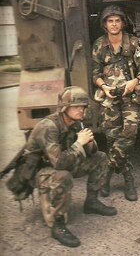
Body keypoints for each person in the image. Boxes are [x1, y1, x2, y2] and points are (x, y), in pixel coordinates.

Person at [9, 86, 117, 248]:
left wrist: (89, 143)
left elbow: (86, 153)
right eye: (76, 106)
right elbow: (59, 163)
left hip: (61, 163)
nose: (81, 110)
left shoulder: (75, 123)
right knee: (62, 176)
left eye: (83, 107)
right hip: (40, 171)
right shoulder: (48, 127)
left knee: (100, 158)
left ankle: (91, 202)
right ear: (64, 107)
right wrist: (79, 143)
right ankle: (57, 224)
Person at [92, 5, 140, 201]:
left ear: (123, 23)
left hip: (130, 96)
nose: (114, 24)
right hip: (109, 97)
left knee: (129, 133)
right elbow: (95, 73)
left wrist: (136, 81)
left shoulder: (133, 43)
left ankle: (108, 171)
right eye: (110, 21)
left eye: (117, 20)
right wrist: (103, 87)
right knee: (112, 137)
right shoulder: (100, 45)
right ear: (105, 24)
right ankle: (128, 179)